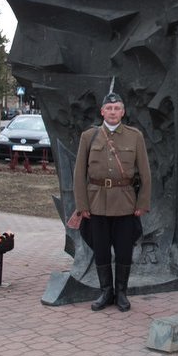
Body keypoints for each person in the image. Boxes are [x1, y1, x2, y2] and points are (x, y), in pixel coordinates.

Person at [68, 92, 152, 312]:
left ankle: (121, 293)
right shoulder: (89, 136)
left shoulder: (135, 136)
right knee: (101, 250)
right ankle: (106, 292)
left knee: (124, 250)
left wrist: (142, 203)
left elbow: (145, 173)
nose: (113, 112)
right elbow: (79, 174)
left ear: (123, 112)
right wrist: (82, 205)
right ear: (102, 112)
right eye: (109, 108)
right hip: (96, 203)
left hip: (125, 202)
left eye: (117, 108)